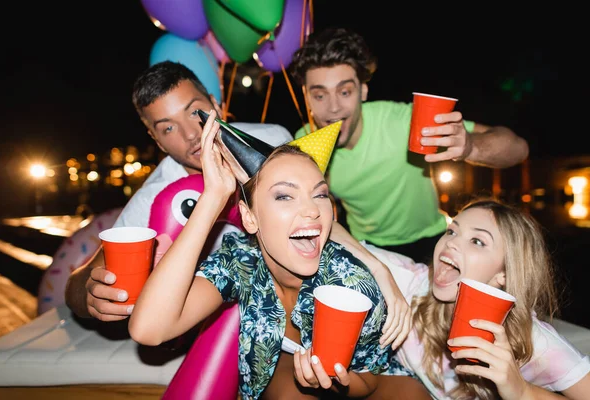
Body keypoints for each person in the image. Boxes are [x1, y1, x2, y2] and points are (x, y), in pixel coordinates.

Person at [128, 111, 431, 400]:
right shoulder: (240, 261)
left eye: (320, 194)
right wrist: (213, 197)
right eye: (284, 195)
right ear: (249, 217)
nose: (313, 210)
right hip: (281, 369)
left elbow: (369, 379)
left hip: (367, 383)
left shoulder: (351, 283)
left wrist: (339, 380)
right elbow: (149, 329)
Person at [64, 61, 293, 321]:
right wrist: (91, 296)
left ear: (215, 105)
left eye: (195, 111)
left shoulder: (274, 143)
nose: (190, 135)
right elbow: (77, 283)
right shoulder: (154, 198)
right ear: (156, 139)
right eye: (168, 128)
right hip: (209, 326)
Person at [288, 27, 530, 264]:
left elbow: (519, 149)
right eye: (320, 95)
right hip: (367, 249)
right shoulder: (306, 143)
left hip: (430, 242)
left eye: (345, 92)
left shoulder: (402, 122)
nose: (333, 108)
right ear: (307, 97)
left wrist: (471, 147)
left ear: (363, 90)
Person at [355, 199, 590, 399]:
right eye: (451, 231)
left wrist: (523, 392)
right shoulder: (412, 283)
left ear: (504, 273)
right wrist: (377, 269)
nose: (451, 242)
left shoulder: (534, 341)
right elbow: (329, 230)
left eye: (477, 241)